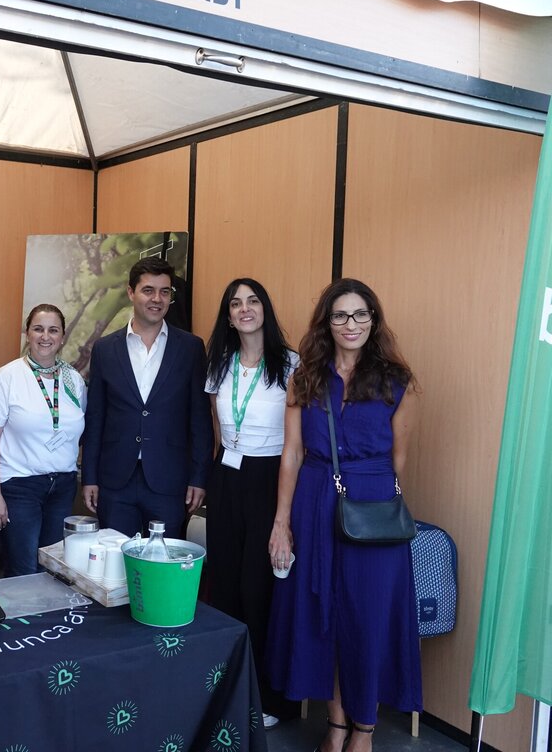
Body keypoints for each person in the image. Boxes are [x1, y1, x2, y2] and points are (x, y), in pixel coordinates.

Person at [265, 278, 422, 752]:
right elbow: (292, 453)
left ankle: (365, 729)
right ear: (326, 322)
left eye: (360, 314)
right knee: (326, 616)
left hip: (373, 511)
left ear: (373, 320)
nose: (350, 324)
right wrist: (282, 522)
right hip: (315, 502)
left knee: (367, 620)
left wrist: (376, 503)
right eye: (340, 315)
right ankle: (336, 725)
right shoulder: (306, 378)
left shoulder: (398, 382)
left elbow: (399, 461)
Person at [203, 278, 298, 729]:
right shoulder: (219, 364)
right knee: (223, 585)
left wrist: (284, 516)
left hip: (270, 478)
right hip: (227, 476)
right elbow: (217, 428)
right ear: (227, 316)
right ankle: (227, 691)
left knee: (259, 589)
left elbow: (297, 443)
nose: (245, 309)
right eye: (236, 303)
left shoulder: (291, 364)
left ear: (265, 309)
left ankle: (270, 697)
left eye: (253, 301)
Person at [81, 256, 212, 539]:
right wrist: (89, 476)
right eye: (148, 290)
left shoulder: (190, 348)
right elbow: (96, 418)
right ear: (131, 292)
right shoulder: (105, 349)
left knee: (163, 562)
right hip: (115, 481)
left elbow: (200, 420)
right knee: (115, 560)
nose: (157, 299)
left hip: (169, 481)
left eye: (165, 292)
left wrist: (199, 477)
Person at [0, 304, 87, 576]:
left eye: (53, 330)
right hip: (19, 487)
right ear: (27, 333)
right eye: (38, 329)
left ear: (62, 336)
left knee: (52, 569)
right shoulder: (6, 378)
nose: (45, 336)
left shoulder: (73, 380)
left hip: (62, 487)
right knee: (23, 570)